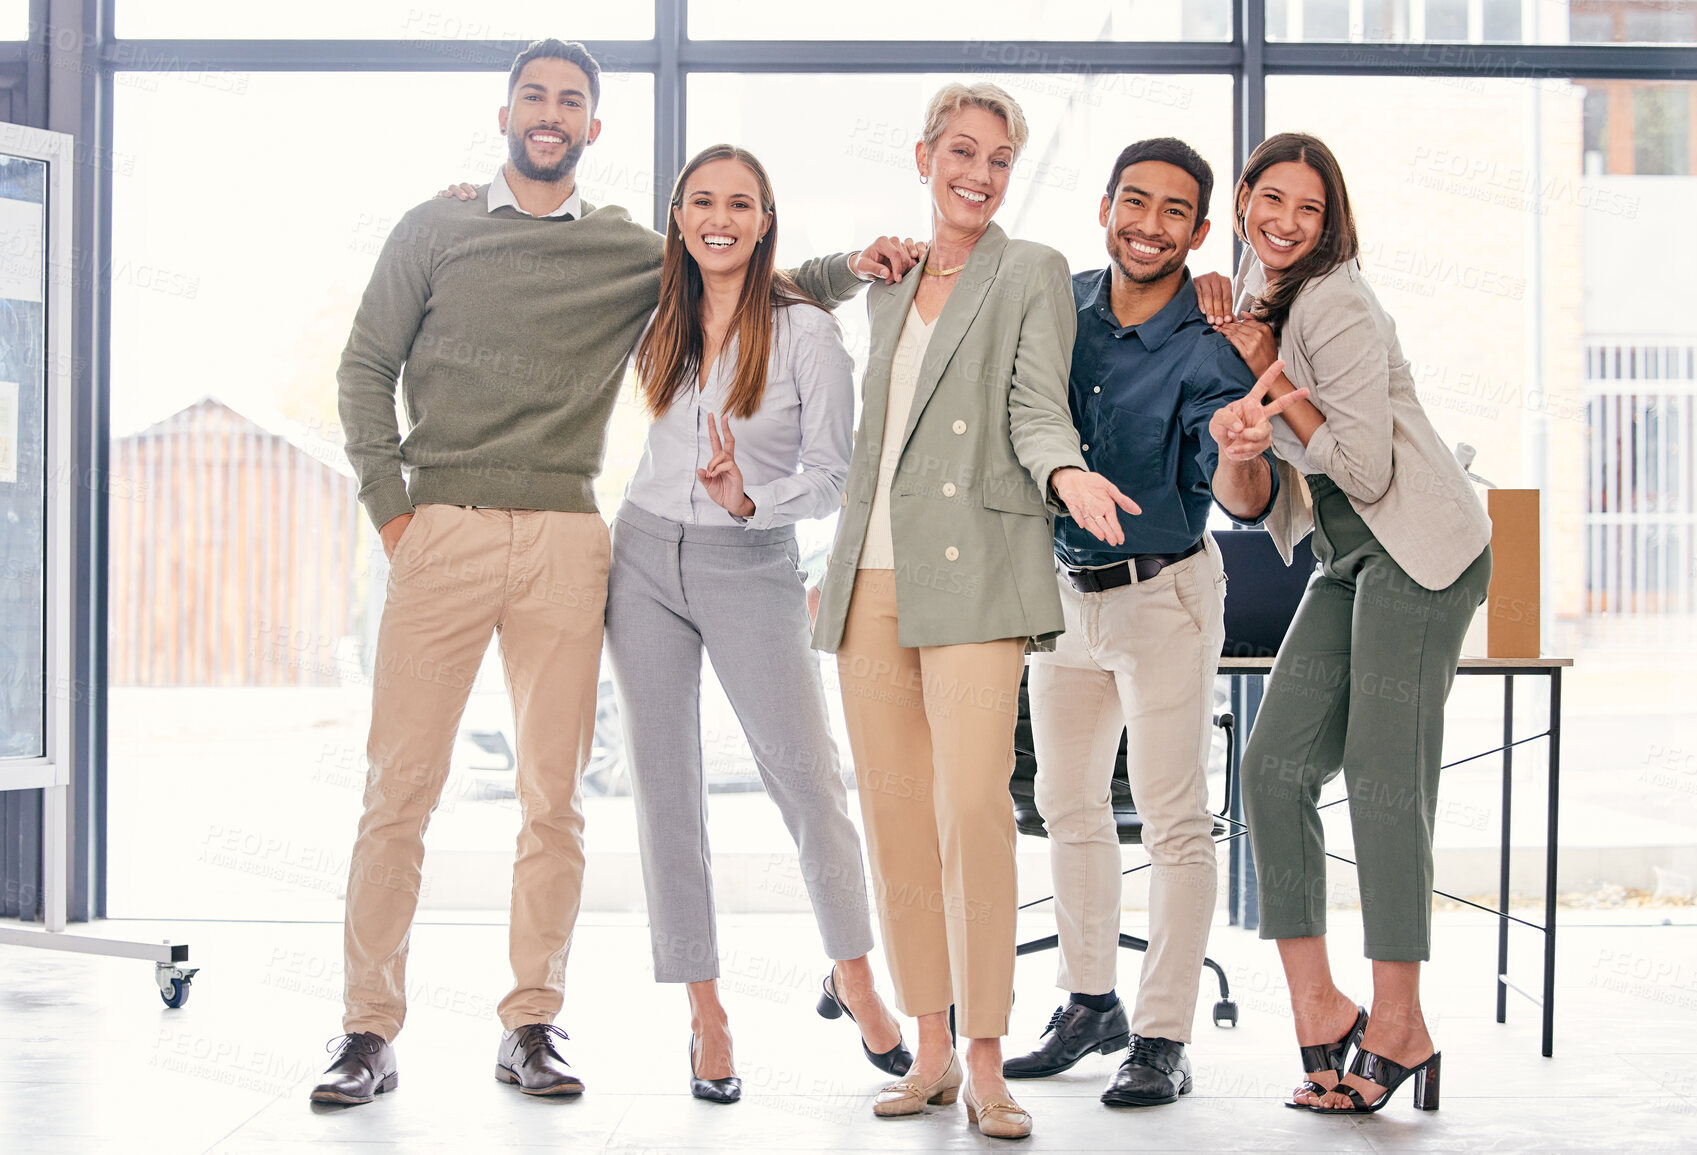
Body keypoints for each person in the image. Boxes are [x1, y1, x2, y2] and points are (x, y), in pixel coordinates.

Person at [317, 38, 913, 1108]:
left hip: (567, 537)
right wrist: (395, 514)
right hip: (445, 531)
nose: (551, 114)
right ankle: (368, 1028)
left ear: (594, 130)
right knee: (399, 791)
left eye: (572, 102)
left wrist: (851, 269)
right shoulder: (434, 226)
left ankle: (532, 1022)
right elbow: (366, 367)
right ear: (505, 112)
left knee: (557, 799)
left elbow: (745, 275)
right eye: (534, 96)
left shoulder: (627, 250)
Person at [811, 82, 1138, 1142]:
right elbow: (761, 289)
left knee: (973, 812)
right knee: (898, 820)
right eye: (963, 151)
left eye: (1000, 159)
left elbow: (1036, 404)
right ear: (924, 156)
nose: (981, 173)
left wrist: (1065, 475)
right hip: (871, 582)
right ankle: (933, 1051)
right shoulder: (888, 282)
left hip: (979, 573)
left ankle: (990, 1062)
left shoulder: (1031, 271)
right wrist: (851, 261)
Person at [603, 143, 907, 1104]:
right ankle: (706, 1012)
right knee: (663, 787)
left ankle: (852, 970)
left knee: (806, 778)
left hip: (749, 560)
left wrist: (745, 498)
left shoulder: (807, 332)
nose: (718, 218)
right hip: (643, 555)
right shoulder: (657, 313)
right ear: (680, 216)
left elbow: (834, 476)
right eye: (701, 201)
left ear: (765, 218)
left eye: (740, 203)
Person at [1198, 131, 1492, 1114]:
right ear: (1244, 199)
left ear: (1332, 226)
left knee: (1380, 773)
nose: (1284, 221)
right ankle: (1321, 1009)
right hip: (1346, 554)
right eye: (1269, 199)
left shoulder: (1336, 301)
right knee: (1272, 767)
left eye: (1308, 210)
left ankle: (1401, 1023)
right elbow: (1252, 499)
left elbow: (1364, 470)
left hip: (1419, 548)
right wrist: (1244, 412)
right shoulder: (1260, 294)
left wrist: (1271, 371)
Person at [1002, 138, 1297, 1108]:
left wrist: (1241, 445)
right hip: (1063, 596)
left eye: (1176, 211)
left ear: (1201, 232)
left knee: (1174, 822)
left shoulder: (1208, 345)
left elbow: (1245, 495)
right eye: (1136, 202)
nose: (1151, 224)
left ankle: (1163, 1034)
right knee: (1069, 804)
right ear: (1105, 206)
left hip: (1164, 596)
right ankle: (1091, 1003)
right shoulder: (1063, 305)